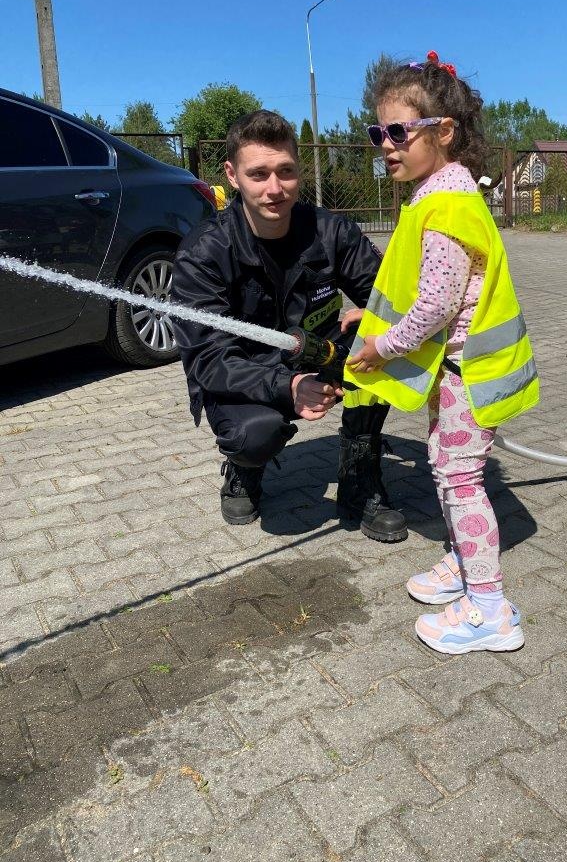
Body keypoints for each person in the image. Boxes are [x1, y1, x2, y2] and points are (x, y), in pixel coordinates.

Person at [345, 52, 539, 655]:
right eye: (377, 132)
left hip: (466, 372)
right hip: (455, 371)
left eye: (398, 131)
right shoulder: (438, 193)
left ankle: (490, 609)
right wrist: (366, 318)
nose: (386, 145)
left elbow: (435, 305)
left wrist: (381, 346)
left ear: (444, 131)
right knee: (446, 465)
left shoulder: (446, 205)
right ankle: (462, 563)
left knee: (459, 480)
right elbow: (420, 289)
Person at [170, 109, 406, 543]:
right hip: (245, 370)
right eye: (258, 174)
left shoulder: (331, 231)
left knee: (384, 342)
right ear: (232, 175)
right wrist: (288, 386)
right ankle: (244, 468)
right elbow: (206, 359)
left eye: (286, 171)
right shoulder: (203, 252)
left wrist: (381, 317)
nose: (275, 188)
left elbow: (388, 296)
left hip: (316, 350)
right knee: (253, 434)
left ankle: (360, 472)